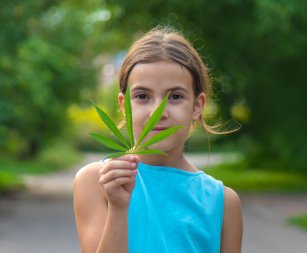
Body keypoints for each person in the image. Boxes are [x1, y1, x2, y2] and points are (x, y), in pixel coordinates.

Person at [73, 26, 243, 253]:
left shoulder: (223, 203)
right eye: (143, 96)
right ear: (124, 106)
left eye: (175, 97)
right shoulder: (98, 181)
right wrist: (118, 207)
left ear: (197, 106)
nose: (158, 111)